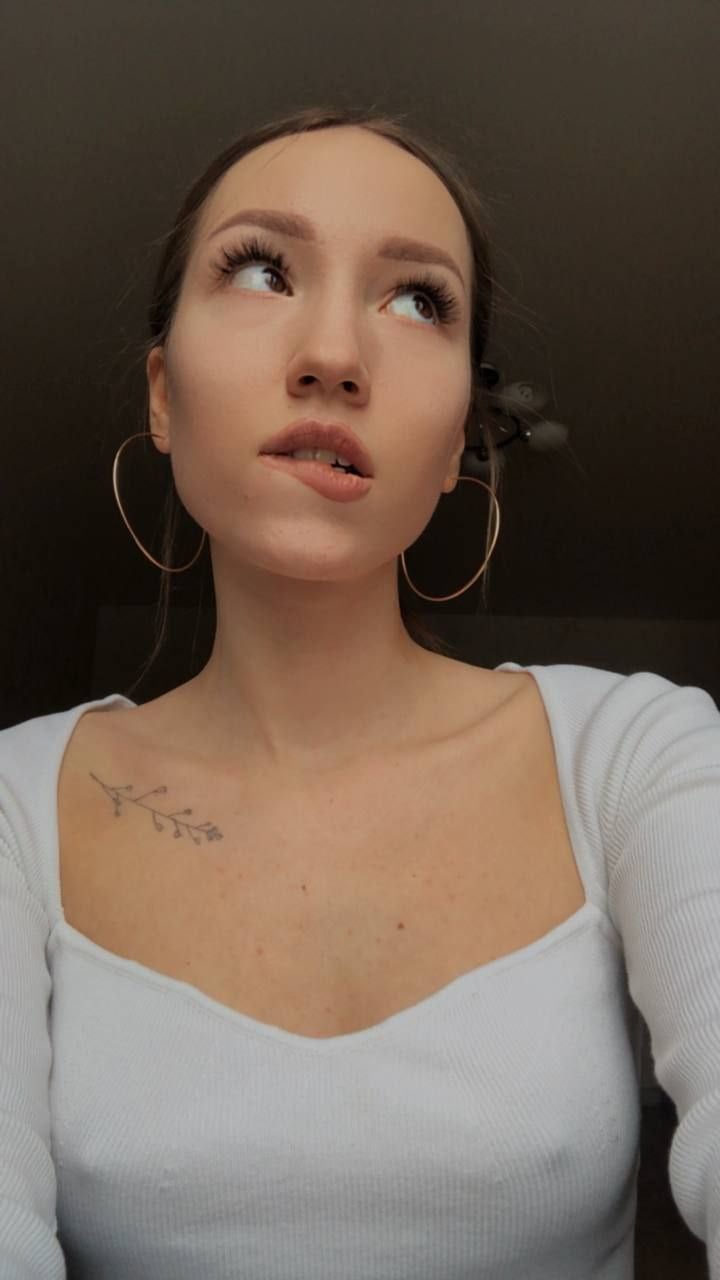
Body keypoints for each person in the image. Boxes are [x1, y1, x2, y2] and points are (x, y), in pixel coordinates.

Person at [1, 105, 718, 1280]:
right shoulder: (14, 806)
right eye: (262, 269)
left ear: (457, 440)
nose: (333, 354)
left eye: (418, 299)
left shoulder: (639, 753)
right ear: (163, 394)